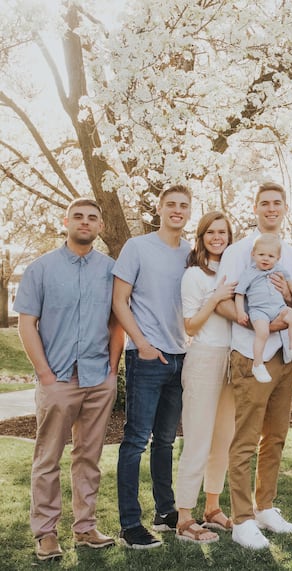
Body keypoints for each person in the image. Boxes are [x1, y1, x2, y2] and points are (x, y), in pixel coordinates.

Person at [15, 198, 123, 561]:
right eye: (78, 216)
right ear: (66, 221)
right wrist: (44, 373)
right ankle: (46, 533)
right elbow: (26, 323)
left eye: (93, 217)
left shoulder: (110, 270)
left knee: (89, 457)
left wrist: (112, 368)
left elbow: (116, 320)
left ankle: (85, 527)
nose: (85, 222)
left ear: (100, 227)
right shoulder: (40, 269)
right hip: (57, 378)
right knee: (47, 458)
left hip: (98, 378)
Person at [216, 182, 292, 550]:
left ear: (285, 208)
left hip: (284, 356)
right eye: (264, 203)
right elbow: (223, 301)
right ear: (254, 207)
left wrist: (288, 303)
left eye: (277, 203)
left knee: (277, 436)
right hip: (252, 355)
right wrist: (256, 323)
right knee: (246, 438)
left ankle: (265, 506)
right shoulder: (238, 252)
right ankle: (242, 519)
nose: (271, 209)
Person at [113, 184, 193, 549]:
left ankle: (165, 511)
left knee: (165, 440)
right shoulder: (138, 247)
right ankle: (130, 525)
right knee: (134, 441)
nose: (177, 210)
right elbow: (119, 300)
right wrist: (142, 344)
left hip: (180, 358)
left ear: (189, 211)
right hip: (147, 357)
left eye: (184, 206)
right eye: (171, 205)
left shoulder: (192, 254)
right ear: (159, 208)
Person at [174, 211, 237, 544]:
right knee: (197, 439)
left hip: (232, 361)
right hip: (203, 359)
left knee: (223, 440)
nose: (217, 237)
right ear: (201, 237)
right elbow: (191, 325)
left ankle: (212, 508)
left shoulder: (233, 272)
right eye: (211, 232)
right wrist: (215, 297)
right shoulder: (193, 275)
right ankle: (185, 517)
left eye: (223, 232)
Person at [234, 233, 292, 383]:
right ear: (253, 254)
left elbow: (291, 284)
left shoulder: (279, 269)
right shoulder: (249, 273)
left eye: (270, 256)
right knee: (263, 332)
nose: (266, 258)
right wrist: (241, 312)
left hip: (278, 307)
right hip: (259, 310)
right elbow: (239, 294)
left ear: (277, 258)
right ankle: (258, 364)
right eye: (261, 254)